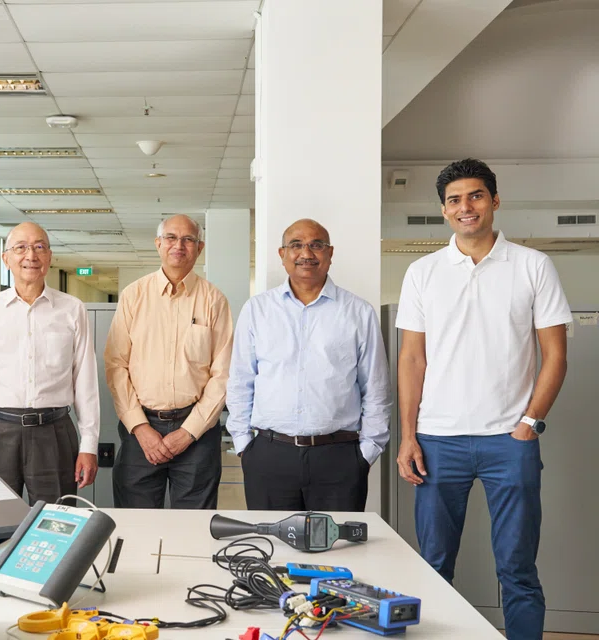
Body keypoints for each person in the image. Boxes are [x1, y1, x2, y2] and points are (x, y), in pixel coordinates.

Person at [396, 159, 570, 640]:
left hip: (508, 442)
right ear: (443, 210)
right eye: (454, 199)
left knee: (516, 568)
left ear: (494, 201)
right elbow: (412, 360)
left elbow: (555, 354)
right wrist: (408, 436)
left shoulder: (533, 265)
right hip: (437, 441)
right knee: (432, 566)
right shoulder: (423, 272)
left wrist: (528, 425)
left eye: (475, 196)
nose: (465, 207)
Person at [226, 219, 390, 511]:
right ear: (282, 253)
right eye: (296, 245)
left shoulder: (358, 312)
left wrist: (367, 452)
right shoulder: (257, 310)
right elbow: (241, 380)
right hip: (268, 456)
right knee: (271, 550)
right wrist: (243, 445)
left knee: (338, 552)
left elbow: (376, 387)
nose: (306, 253)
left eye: (316, 245)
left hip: (339, 459)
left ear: (330, 253)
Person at [0, 222, 99, 503]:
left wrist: (89, 444)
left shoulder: (72, 309)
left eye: (39, 247)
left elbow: (86, 382)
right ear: (6, 258)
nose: (30, 256)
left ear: (49, 256)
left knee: (55, 522)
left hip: (54, 433)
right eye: (20, 248)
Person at [105, 214, 233, 509]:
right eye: (171, 238)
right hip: (141, 430)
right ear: (158, 244)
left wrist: (188, 433)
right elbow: (116, 365)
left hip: (197, 434)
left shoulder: (214, 300)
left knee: (194, 527)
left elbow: (223, 374)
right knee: (136, 525)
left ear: (199, 248)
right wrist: (140, 428)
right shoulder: (134, 295)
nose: (179, 245)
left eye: (188, 239)